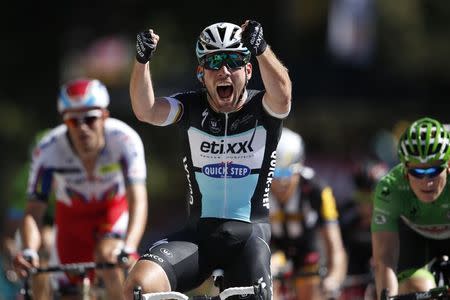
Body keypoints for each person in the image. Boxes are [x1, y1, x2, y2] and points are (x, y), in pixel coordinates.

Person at [123, 20, 292, 300]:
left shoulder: (264, 108)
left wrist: (261, 48)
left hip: (248, 237)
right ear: (201, 73)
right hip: (198, 236)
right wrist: (142, 61)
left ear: (248, 70)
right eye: (214, 62)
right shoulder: (189, 107)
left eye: (234, 61)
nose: (224, 70)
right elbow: (146, 110)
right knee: (137, 288)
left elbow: (284, 95)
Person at [13, 78, 149, 299]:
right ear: (64, 122)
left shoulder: (125, 140)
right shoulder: (48, 149)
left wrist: (129, 245)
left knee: (109, 257)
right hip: (71, 220)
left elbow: (138, 200)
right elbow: (34, 210)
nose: (83, 128)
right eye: (74, 122)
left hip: (111, 212)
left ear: (105, 116)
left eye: (90, 119)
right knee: (69, 293)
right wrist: (28, 249)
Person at [371, 117, 450, 298]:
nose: (427, 181)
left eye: (433, 171)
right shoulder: (390, 189)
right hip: (415, 239)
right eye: (417, 171)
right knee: (420, 287)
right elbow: (385, 259)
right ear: (405, 171)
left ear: (448, 166)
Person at [269, 127, 347, 299]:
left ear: (300, 166)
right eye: (275, 173)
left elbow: (335, 246)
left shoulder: (317, 190)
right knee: (265, 281)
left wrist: (333, 279)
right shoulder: (257, 188)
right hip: (273, 249)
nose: (282, 182)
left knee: (310, 286)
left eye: (287, 172)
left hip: (307, 250)